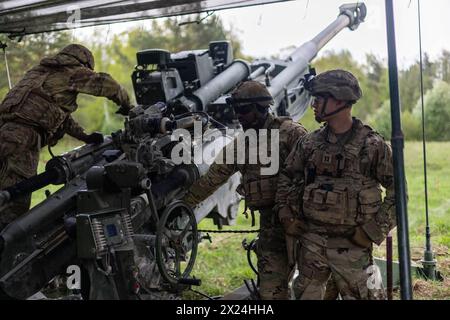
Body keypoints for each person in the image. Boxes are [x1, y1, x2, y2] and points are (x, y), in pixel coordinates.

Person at [276, 69, 396, 300]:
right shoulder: (309, 143)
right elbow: (287, 178)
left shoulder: (372, 146)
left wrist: (372, 231)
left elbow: (399, 192)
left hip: (353, 246)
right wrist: (286, 215)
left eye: (319, 98)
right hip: (311, 244)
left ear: (339, 100)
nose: (313, 104)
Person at [183, 80, 307, 299]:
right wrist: (183, 207)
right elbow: (212, 179)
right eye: (236, 110)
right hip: (271, 227)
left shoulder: (291, 134)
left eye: (244, 110)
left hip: (304, 224)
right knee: (271, 293)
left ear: (261, 107)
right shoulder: (241, 145)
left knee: (311, 288)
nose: (239, 115)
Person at [0, 44, 131, 229]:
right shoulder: (73, 72)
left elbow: (58, 115)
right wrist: (128, 106)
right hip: (22, 141)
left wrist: (85, 137)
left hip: (5, 133)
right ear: (83, 63)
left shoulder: (38, 73)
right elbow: (107, 84)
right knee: (14, 204)